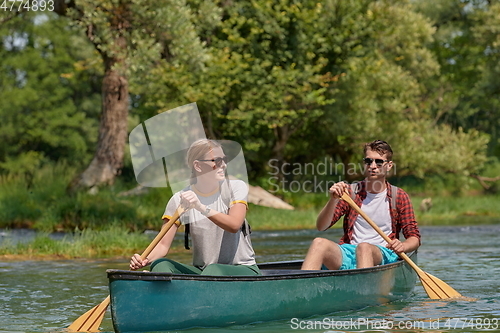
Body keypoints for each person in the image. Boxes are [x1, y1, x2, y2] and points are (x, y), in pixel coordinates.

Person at [130, 139, 260, 276]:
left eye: (224, 159)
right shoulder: (179, 199)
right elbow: (162, 245)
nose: (223, 165)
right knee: (160, 265)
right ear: (197, 166)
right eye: (216, 161)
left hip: (242, 269)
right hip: (203, 273)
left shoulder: (236, 187)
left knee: (214, 270)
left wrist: (201, 207)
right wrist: (145, 260)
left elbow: (234, 225)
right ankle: (167, 290)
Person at [301, 140, 420, 270]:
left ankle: (363, 289)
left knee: (364, 247)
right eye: (368, 161)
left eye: (379, 162)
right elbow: (321, 226)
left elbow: (414, 237)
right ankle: (302, 289)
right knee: (319, 243)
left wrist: (403, 246)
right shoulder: (350, 193)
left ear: (389, 165)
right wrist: (333, 200)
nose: (373, 166)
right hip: (349, 251)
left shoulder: (399, 196)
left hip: (383, 253)